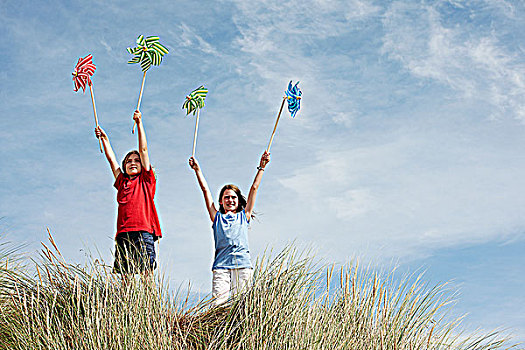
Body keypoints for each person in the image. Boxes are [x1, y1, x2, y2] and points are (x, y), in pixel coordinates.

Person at [189, 151, 270, 305]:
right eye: (227, 197)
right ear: (221, 201)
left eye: (233, 197)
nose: (230, 200)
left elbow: (254, 187)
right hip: (221, 266)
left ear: (238, 201)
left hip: (242, 265)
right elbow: (205, 190)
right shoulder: (217, 217)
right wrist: (197, 170)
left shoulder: (244, 216)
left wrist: (262, 167)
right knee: (219, 304)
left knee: (243, 305)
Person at [95, 110, 162, 275]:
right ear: (124, 166)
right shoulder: (122, 182)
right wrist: (104, 139)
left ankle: (149, 301)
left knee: (146, 273)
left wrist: (139, 124)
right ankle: (127, 301)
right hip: (124, 233)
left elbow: (144, 150)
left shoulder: (146, 180)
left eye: (136, 161)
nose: (133, 163)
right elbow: (111, 160)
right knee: (126, 276)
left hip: (144, 231)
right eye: (128, 161)